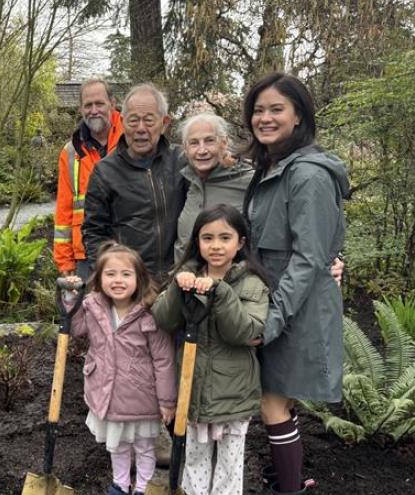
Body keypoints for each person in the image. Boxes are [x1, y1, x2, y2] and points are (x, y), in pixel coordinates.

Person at [241, 73, 349, 495]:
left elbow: (308, 257)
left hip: (294, 308)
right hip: (280, 300)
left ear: (299, 115)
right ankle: (288, 474)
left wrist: (271, 319)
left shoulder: (308, 175)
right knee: (279, 400)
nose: (264, 118)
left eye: (276, 109)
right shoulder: (273, 167)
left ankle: (289, 487)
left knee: (271, 400)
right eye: (258, 110)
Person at [153, 205, 269, 495]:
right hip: (193, 390)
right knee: (194, 460)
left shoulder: (252, 284)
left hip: (233, 394)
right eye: (207, 238)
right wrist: (177, 290)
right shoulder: (186, 276)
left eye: (224, 238)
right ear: (197, 242)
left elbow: (244, 331)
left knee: (229, 466)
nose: (215, 246)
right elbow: (163, 320)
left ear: (240, 242)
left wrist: (220, 291)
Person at [62, 242, 176, 495]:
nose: (118, 280)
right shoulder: (93, 306)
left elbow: (163, 359)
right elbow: (76, 328)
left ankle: (144, 487)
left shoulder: (149, 313)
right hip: (107, 393)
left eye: (126, 274)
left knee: (145, 446)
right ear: (99, 278)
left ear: (139, 278)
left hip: (141, 396)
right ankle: (121, 484)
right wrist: (71, 298)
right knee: (118, 446)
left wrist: (167, 400)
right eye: (110, 274)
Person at [82, 82, 187, 280]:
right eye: (133, 121)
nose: (140, 129)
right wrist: (112, 278)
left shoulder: (182, 161)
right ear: (121, 121)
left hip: (179, 281)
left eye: (149, 121)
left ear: (164, 123)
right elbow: (94, 232)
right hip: (132, 284)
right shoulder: (105, 172)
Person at [54, 79, 124, 279]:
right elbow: (63, 212)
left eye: (99, 104)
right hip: (85, 254)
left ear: (112, 103)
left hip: (129, 248)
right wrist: (64, 261)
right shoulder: (69, 153)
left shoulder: (132, 139)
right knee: (89, 310)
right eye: (88, 105)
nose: (94, 110)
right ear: (81, 109)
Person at [174, 113, 255, 262]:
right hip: (185, 280)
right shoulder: (189, 181)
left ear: (224, 143)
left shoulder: (249, 181)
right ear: (185, 148)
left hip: (232, 281)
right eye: (194, 143)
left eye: (209, 141)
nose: (202, 150)